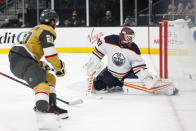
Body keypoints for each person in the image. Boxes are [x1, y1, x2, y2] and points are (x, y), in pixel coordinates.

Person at [8, 9, 67, 120]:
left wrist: (41, 64)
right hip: (23, 61)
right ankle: (42, 109)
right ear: (52, 21)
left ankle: (52, 105)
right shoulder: (47, 29)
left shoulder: (35, 29)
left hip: (21, 60)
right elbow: (50, 54)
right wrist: (59, 67)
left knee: (50, 78)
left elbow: (29, 50)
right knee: (41, 85)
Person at [83, 27, 178, 95]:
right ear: (122, 36)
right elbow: (98, 51)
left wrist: (145, 77)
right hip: (111, 73)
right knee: (97, 87)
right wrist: (94, 62)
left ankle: (167, 88)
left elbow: (139, 66)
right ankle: (115, 83)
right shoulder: (109, 40)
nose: (130, 40)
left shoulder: (134, 48)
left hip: (128, 74)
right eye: (128, 38)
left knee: (146, 83)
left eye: (131, 38)